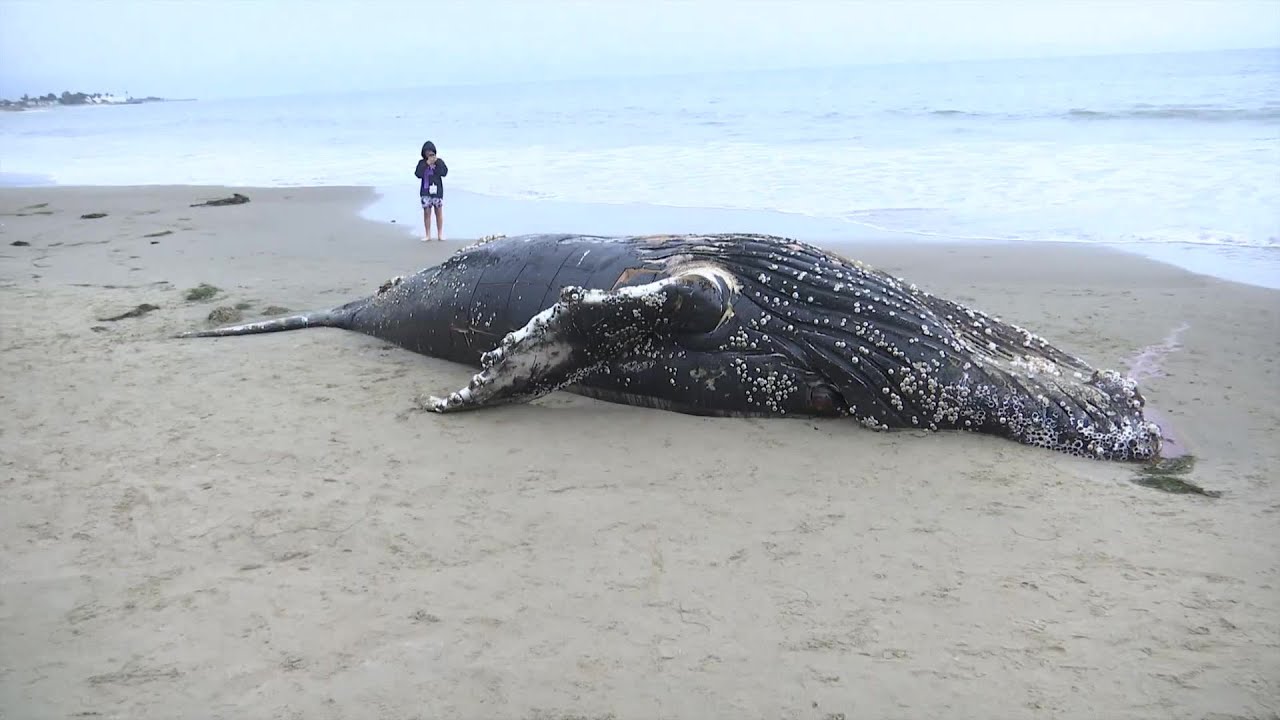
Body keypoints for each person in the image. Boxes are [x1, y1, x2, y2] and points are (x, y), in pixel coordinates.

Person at [414, 140, 448, 241]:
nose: (429, 153)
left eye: (431, 151)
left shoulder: (439, 162)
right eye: (427, 151)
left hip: (437, 191)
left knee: (438, 212)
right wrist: (427, 164)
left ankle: (440, 234)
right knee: (427, 213)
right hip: (425, 191)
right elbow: (418, 174)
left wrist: (436, 163)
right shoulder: (422, 163)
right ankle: (428, 235)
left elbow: (444, 173)